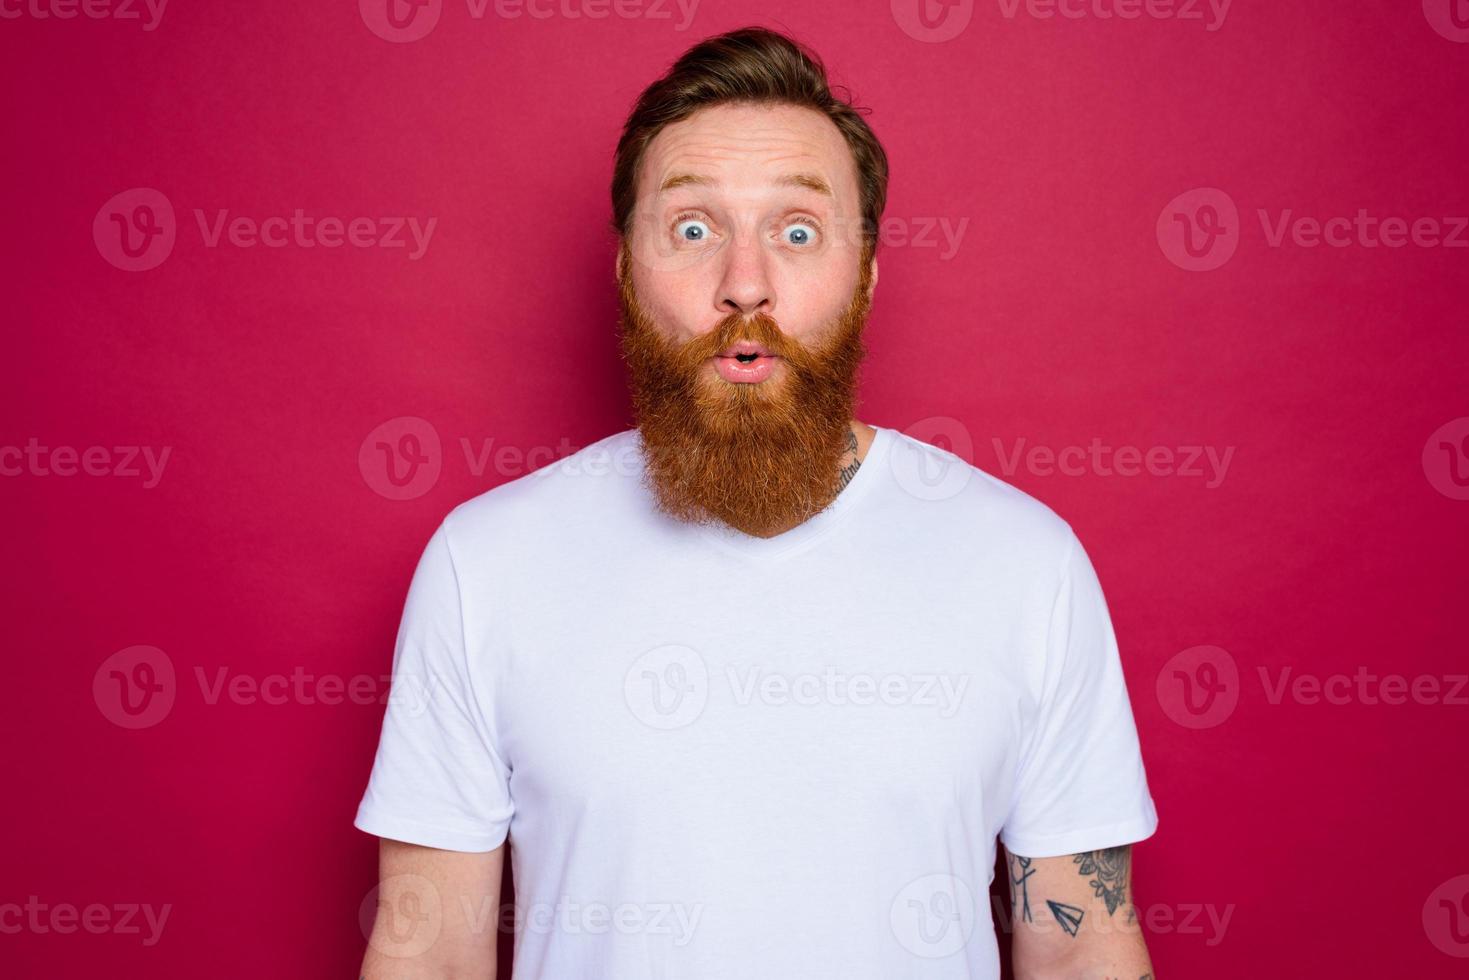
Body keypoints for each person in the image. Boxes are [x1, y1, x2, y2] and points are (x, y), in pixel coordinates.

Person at [355, 25, 1159, 980]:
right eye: (692, 229)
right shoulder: (483, 564)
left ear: (864, 272)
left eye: (798, 231)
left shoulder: (1028, 566)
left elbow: (1077, 949)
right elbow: (431, 956)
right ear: (624, 269)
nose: (745, 283)